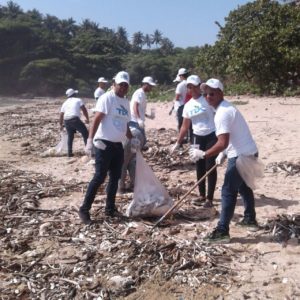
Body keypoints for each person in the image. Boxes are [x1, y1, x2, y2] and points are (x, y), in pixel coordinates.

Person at [189, 78, 259, 243]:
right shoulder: (224, 108)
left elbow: (222, 142)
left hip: (242, 155)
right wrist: (224, 154)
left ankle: (222, 230)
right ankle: (250, 219)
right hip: (248, 151)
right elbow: (230, 139)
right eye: (206, 94)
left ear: (221, 93)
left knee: (228, 190)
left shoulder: (223, 112)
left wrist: (204, 154)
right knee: (243, 186)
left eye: (212, 93)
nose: (208, 97)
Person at [78, 71, 139, 224]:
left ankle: (110, 209)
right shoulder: (107, 98)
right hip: (103, 143)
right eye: (120, 84)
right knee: (99, 177)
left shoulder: (125, 102)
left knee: (115, 178)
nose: (123, 87)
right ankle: (84, 210)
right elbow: (97, 119)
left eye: (126, 85)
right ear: (114, 84)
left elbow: (125, 125)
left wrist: (132, 139)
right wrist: (90, 140)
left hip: (118, 145)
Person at [171, 75, 217, 208]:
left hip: (211, 135)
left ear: (199, 86)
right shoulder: (188, 106)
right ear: (188, 89)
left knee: (210, 166)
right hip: (196, 137)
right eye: (190, 87)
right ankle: (201, 195)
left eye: (195, 86)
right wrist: (178, 143)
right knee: (199, 166)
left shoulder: (207, 100)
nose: (193, 89)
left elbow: (217, 116)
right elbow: (185, 126)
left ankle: (210, 198)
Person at [118, 76, 156, 193]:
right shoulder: (139, 93)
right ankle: (127, 186)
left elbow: (138, 109)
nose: (151, 87)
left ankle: (127, 185)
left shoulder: (142, 94)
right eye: (149, 85)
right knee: (129, 159)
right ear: (144, 84)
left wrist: (148, 116)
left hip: (136, 130)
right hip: (135, 127)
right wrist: (139, 119)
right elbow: (134, 106)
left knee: (129, 159)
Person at [59, 88, 89, 157]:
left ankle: (69, 153)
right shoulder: (78, 100)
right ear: (74, 94)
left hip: (66, 120)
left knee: (70, 136)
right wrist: (87, 118)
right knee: (85, 133)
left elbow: (61, 114)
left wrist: (61, 124)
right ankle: (88, 151)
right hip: (74, 119)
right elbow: (84, 109)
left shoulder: (65, 103)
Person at [174, 68, 189, 140]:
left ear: (181, 76)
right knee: (188, 123)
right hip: (188, 104)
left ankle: (181, 139)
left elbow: (177, 97)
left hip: (181, 106)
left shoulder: (180, 85)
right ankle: (188, 137)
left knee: (181, 124)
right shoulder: (190, 83)